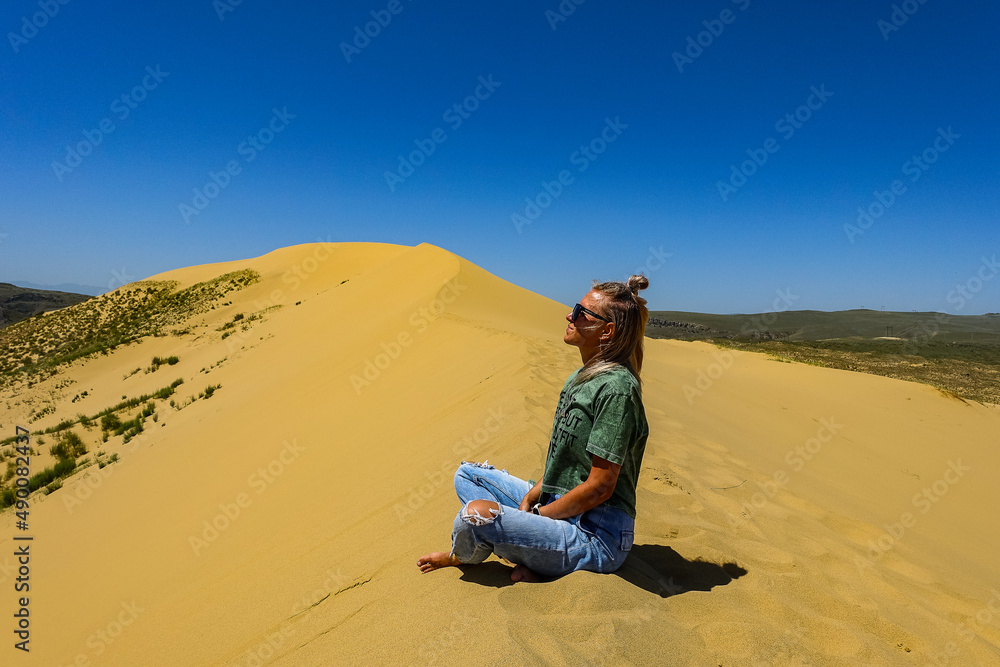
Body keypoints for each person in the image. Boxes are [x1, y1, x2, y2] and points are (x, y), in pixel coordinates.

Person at [417, 274, 650, 582]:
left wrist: (538, 516)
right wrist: (532, 497)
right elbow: (564, 460)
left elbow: (600, 487)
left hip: (595, 535)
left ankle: (466, 556)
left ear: (606, 331)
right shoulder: (581, 377)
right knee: (468, 475)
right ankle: (533, 552)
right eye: (574, 309)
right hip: (557, 505)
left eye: (581, 313)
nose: (570, 316)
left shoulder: (617, 389)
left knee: (474, 515)